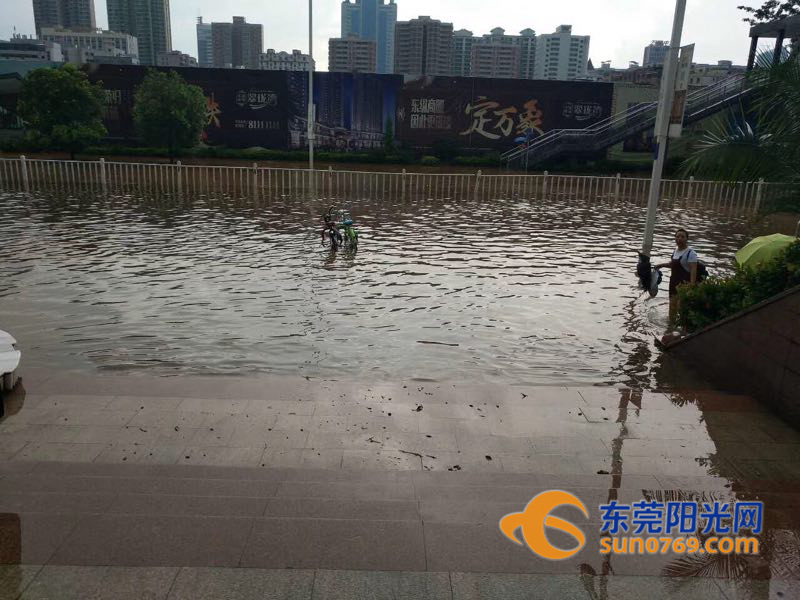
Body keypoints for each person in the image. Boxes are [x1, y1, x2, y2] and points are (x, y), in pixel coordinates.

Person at [656, 228, 699, 320]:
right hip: (673, 282)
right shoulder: (675, 251)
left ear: (687, 239)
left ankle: (684, 330)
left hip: (684, 284)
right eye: (677, 236)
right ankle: (670, 328)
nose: (679, 238)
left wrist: (691, 286)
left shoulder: (691, 253)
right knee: (672, 308)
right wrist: (661, 265)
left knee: (681, 308)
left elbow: (693, 270)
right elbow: (673, 265)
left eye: (682, 237)